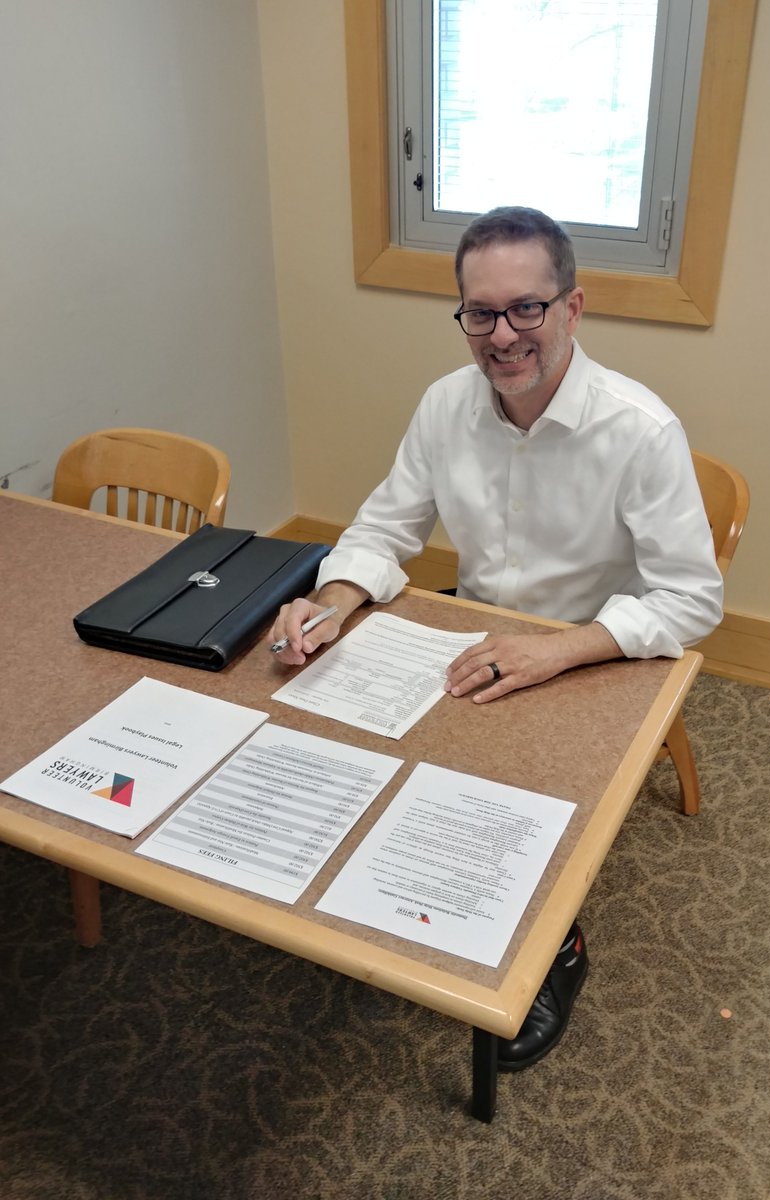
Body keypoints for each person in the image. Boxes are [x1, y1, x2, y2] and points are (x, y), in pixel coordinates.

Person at [270, 206, 723, 1072]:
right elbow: (382, 529)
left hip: (594, 652)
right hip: (479, 633)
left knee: (523, 798)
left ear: (572, 309)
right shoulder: (446, 405)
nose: (503, 334)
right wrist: (332, 599)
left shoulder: (640, 429)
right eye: (481, 312)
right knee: (335, 727)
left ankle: (559, 949)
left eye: (528, 308)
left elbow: (692, 600)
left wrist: (558, 650)